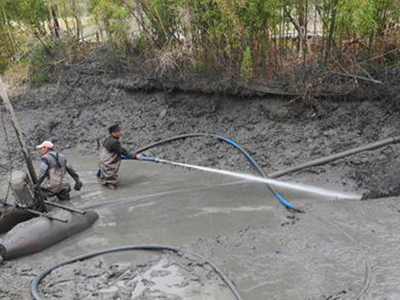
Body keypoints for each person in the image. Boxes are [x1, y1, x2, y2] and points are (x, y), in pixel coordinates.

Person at [98, 124, 141, 190]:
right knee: (112, 182)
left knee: (104, 176)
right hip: (108, 163)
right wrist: (135, 156)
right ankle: (111, 187)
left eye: (119, 131)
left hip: (102, 162)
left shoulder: (108, 139)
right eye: (118, 132)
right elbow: (123, 152)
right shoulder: (114, 142)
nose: (120, 133)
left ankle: (103, 181)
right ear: (113, 133)